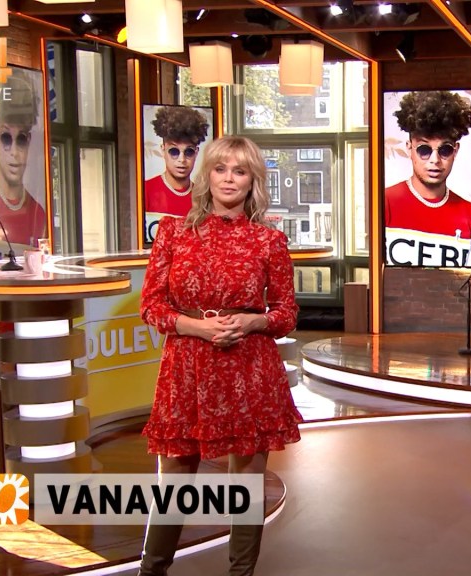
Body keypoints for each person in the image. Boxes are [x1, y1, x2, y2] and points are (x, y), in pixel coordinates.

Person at [138, 135, 300, 575]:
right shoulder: (172, 233)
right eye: (221, 169)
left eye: (240, 171)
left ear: (252, 181)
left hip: (249, 366)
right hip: (187, 366)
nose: (229, 179)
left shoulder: (269, 240)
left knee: (245, 481)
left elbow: (286, 313)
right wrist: (198, 327)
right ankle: (151, 571)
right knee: (175, 478)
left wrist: (251, 322)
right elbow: (151, 306)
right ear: (206, 176)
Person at [384, 90, 471, 268]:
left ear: (455, 151)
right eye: (424, 150)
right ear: (409, 149)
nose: (435, 160)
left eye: (445, 150)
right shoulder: (384, 204)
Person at [0, 72, 47, 248]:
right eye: (6, 138)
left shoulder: (38, 213)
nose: (14, 152)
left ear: (29, 141)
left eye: (21, 140)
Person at [144, 106, 210, 218]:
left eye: (189, 152)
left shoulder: (203, 197)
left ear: (196, 153)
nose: (182, 159)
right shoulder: (145, 191)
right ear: (163, 150)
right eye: (174, 151)